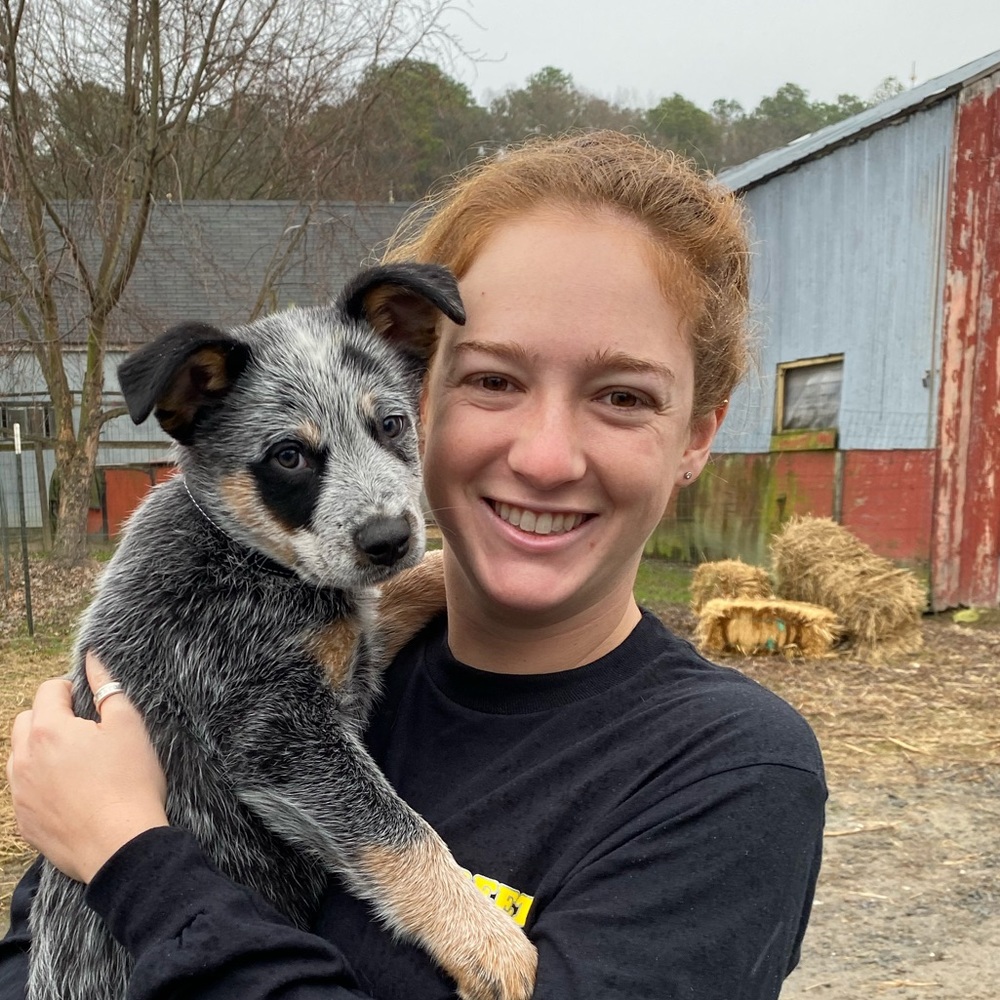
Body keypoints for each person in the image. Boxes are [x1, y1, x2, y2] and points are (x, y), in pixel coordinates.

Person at [2, 131, 825, 1000]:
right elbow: (34, 950)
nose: (546, 458)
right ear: (431, 385)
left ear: (697, 434)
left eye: (623, 396)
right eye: (495, 380)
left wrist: (132, 858)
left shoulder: (729, 776)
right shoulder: (255, 603)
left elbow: (121, 835)